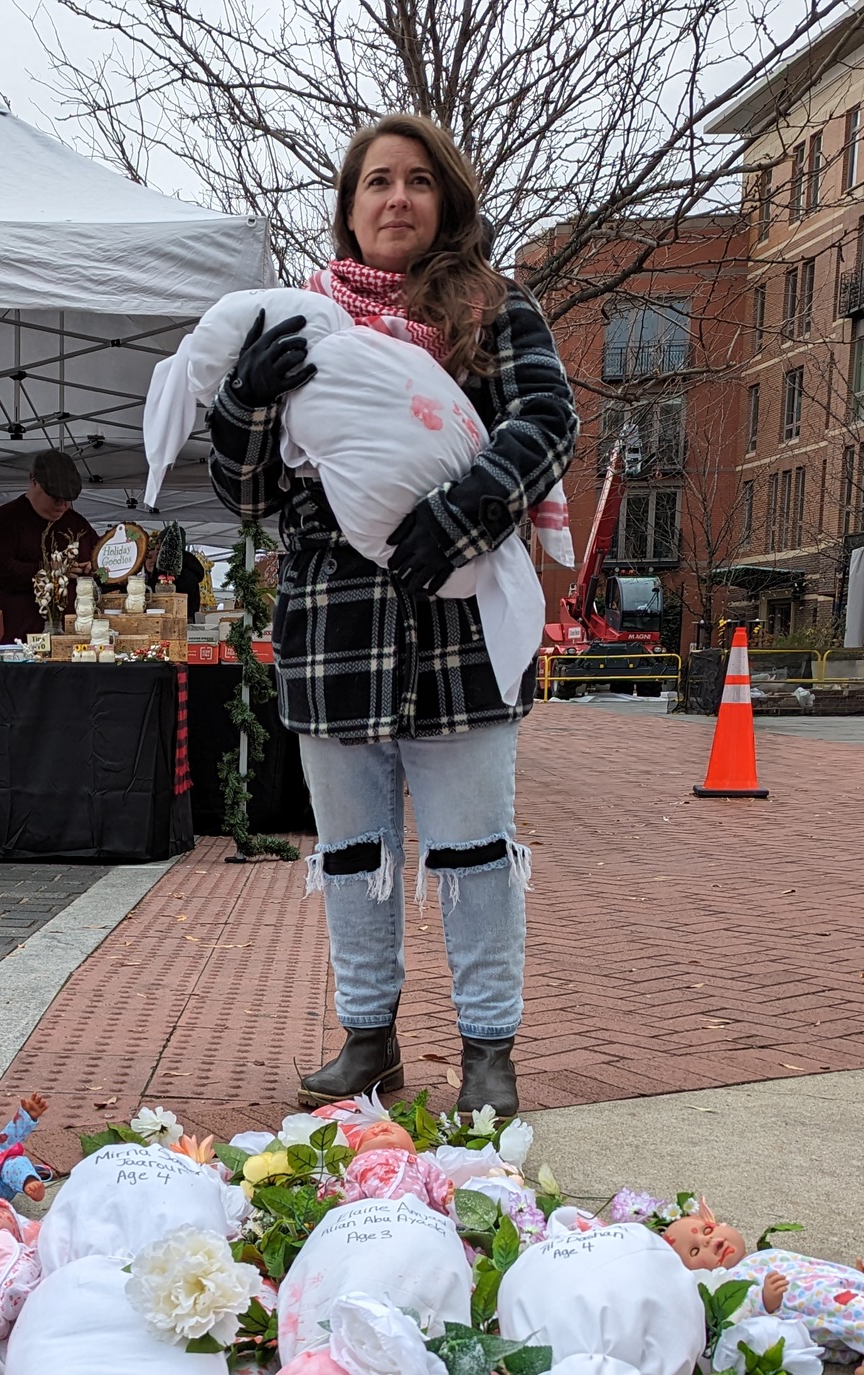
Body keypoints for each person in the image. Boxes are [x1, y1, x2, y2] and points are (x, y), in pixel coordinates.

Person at [208, 113, 574, 1118]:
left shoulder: (496, 311)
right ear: (350, 206)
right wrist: (242, 404)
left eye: (417, 181)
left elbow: (547, 423)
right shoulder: (298, 322)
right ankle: (367, 1040)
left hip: (457, 624)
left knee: (472, 856)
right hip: (332, 628)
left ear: (445, 201)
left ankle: (487, 1048)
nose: (396, 198)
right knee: (354, 856)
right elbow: (244, 497)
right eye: (376, 182)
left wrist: (463, 513)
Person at [0, 450, 95, 643]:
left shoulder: (77, 524)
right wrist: (48, 570)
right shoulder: (4, 520)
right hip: (19, 642)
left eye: (68, 499)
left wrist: (94, 567)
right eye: (55, 498)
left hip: (74, 643)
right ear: (33, 481)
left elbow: (99, 560)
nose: (63, 505)